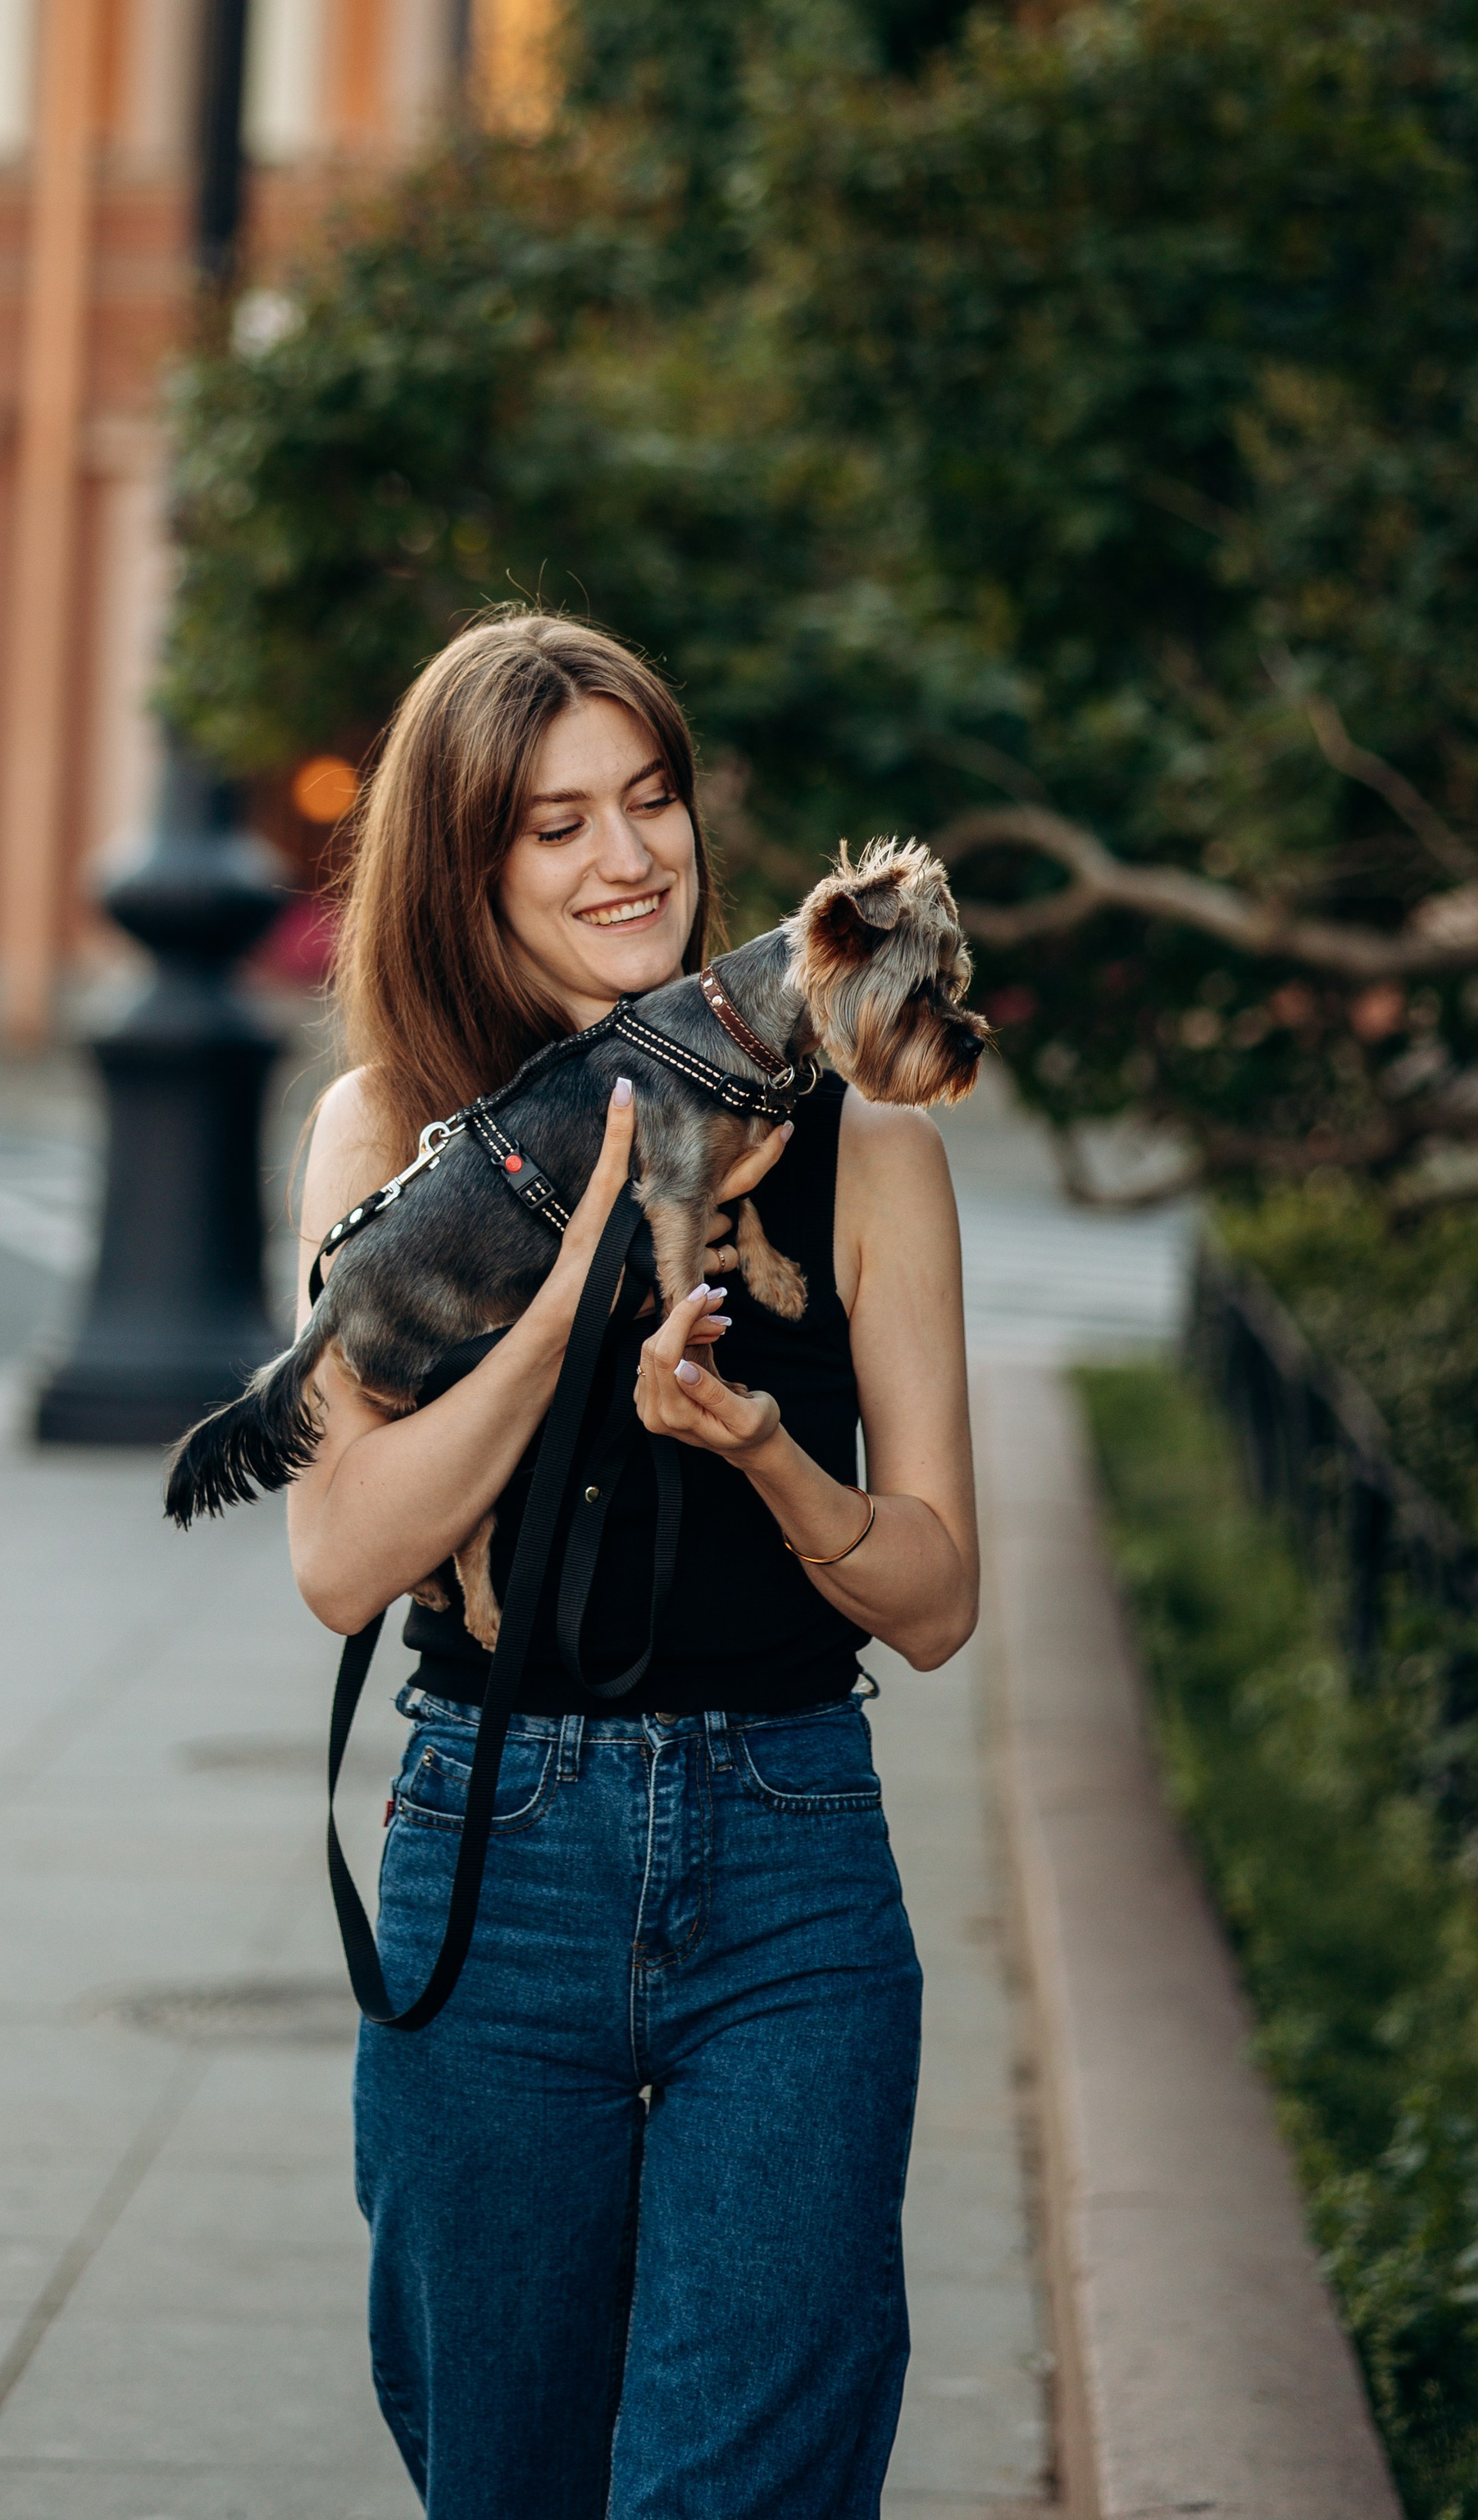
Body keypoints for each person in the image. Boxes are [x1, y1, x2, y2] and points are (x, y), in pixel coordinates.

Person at [289, 610, 977, 2520]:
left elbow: (932, 1600)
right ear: (465, 868)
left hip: (788, 1871)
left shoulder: (858, 1151)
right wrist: (584, 1263)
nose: (627, 859)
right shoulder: (392, 1136)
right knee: (498, 2476)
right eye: (554, 824)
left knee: (741, 2487)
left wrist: (770, 1458)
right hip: (490, 1857)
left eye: (650, 801)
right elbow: (342, 1557)